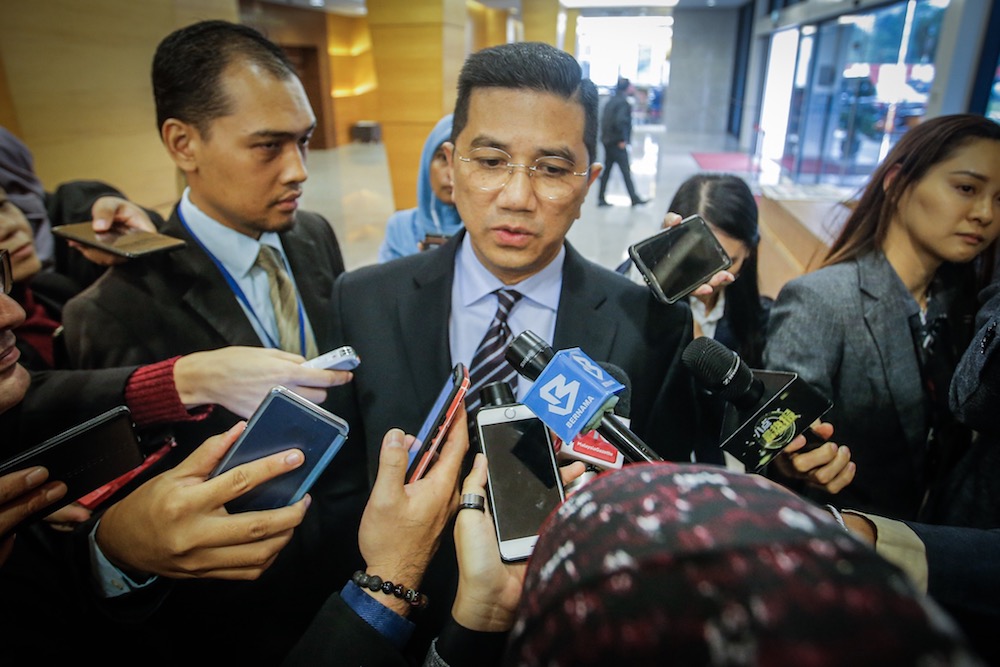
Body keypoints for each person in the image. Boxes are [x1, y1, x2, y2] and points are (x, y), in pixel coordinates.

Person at [323, 41, 851, 661]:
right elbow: (343, 495)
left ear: (590, 181)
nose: (517, 197)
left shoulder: (649, 325)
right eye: (490, 159)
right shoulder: (363, 299)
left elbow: (669, 483)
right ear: (452, 164)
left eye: (552, 169)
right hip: (397, 624)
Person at [32, 20, 363, 664]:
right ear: (183, 142)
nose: (298, 171)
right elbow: (126, 509)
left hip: (347, 564)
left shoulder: (313, 234)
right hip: (231, 610)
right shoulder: (112, 309)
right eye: (267, 147)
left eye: (303, 141)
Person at [764, 113, 1000, 522]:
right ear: (896, 183)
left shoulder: (967, 311)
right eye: (966, 188)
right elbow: (778, 437)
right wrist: (794, 458)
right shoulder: (822, 300)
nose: (984, 213)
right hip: (842, 546)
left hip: (933, 550)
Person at [377, 114, 463, 262]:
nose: (450, 174)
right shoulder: (401, 228)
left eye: (460, 160)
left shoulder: (487, 234)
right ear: (427, 162)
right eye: (443, 158)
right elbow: (383, 283)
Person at [596, 77, 648, 207]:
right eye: (630, 86)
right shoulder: (623, 103)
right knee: (625, 171)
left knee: (607, 170)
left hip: (608, 141)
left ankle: (601, 198)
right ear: (626, 88)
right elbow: (620, 121)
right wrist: (622, 139)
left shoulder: (611, 101)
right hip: (616, 143)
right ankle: (634, 198)